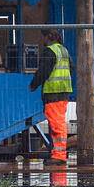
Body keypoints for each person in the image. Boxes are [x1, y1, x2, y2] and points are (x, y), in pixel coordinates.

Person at [28, 29, 73, 163]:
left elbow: (43, 71)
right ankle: (58, 153)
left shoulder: (50, 51)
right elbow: (71, 67)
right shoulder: (63, 50)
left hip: (53, 93)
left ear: (49, 37)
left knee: (56, 125)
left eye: (44, 37)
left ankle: (59, 156)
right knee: (58, 123)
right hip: (64, 92)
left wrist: (33, 85)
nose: (43, 40)